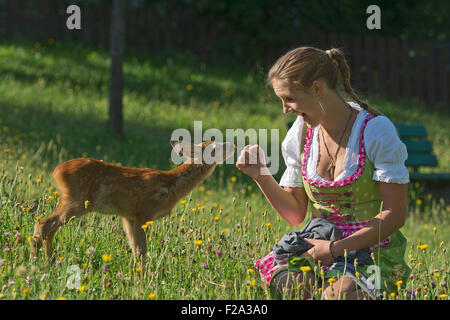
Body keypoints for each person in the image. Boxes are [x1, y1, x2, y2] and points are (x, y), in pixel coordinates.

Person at [235, 46, 411, 300]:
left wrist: (336, 248)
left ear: (317, 89)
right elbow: (295, 214)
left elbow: (395, 215)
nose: (285, 109)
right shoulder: (302, 133)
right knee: (287, 285)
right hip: (318, 243)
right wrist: (260, 174)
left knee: (337, 297)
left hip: (371, 248)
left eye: (289, 99)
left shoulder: (375, 131)